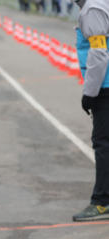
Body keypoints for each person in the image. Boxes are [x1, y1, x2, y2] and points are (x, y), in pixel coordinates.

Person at [72, 0, 109, 222]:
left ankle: (102, 201)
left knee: (103, 143)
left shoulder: (93, 9)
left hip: (104, 87)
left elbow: (99, 53)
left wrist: (90, 92)